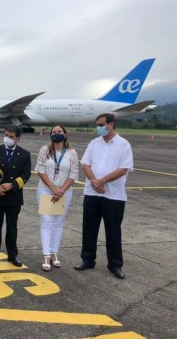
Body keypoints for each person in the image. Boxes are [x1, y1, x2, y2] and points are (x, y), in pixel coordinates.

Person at [75, 113, 133, 280]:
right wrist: (95, 182)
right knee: (89, 228)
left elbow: (123, 169)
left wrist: (101, 181)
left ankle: (115, 265)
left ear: (111, 124)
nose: (98, 127)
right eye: (97, 125)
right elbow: (85, 164)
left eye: (101, 124)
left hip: (114, 196)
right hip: (92, 194)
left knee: (113, 230)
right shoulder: (94, 143)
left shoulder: (123, 145)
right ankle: (87, 259)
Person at [0, 124, 31, 267]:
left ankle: (13, 255)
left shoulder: (24, 154)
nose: (7, 138)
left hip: (14, 196)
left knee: (12, 227)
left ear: (18, 138)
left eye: (11, 137)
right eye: (6, 135)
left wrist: (12, 185)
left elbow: (26, 175)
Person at [35, 125, 78, 271]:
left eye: (59, 132)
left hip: (65, 192)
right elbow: (40, 169)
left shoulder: (72, 153)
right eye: (54, 132)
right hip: (46, 190)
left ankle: (54, 253)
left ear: (65, 135)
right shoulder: (45, 150)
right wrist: (53, 188)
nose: (56, 134)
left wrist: (61, 190)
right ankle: (46, 255)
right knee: (46, 221)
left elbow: (74, 174)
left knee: (58, 222)